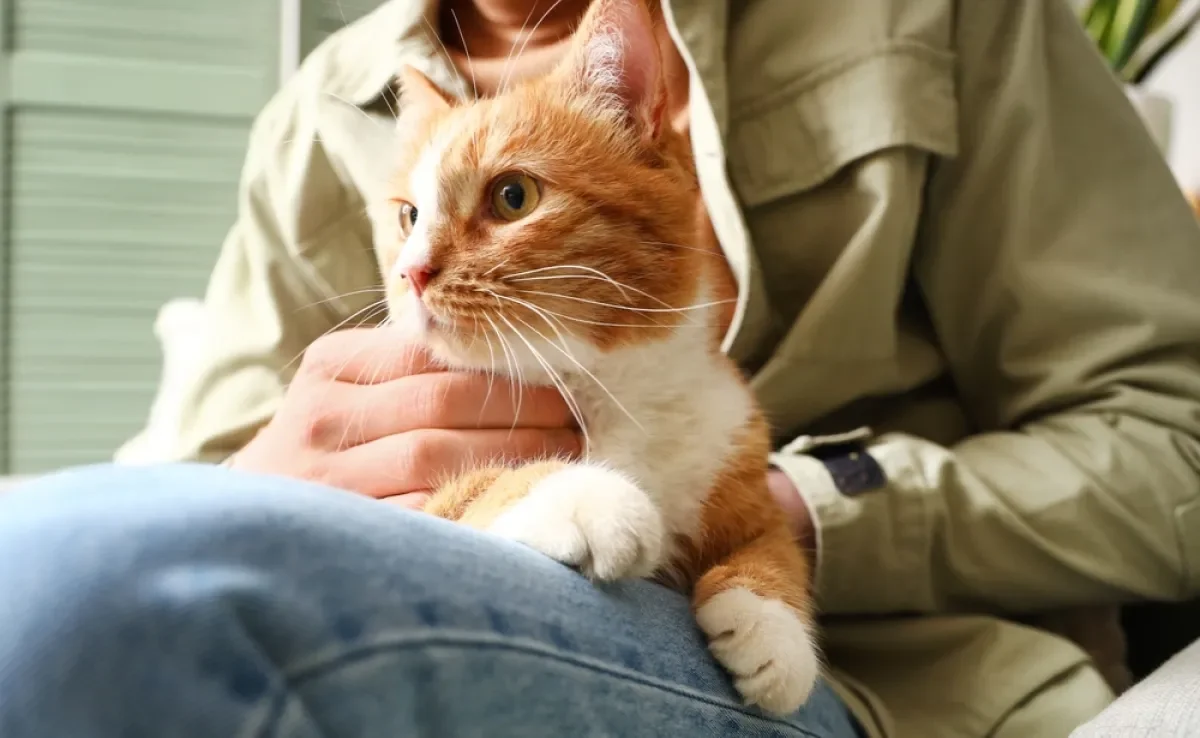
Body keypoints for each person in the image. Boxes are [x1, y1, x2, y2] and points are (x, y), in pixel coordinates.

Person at [2, 0, 1200, 735]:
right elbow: (173, 486)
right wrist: (271, 476)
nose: (421, 257)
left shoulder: (934, 10)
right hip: (437, 589)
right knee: (60, 573)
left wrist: (778, 513)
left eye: (508, 199)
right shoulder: (320, 114)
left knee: (79, 605)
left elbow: (1174, 437)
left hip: (885, 681)